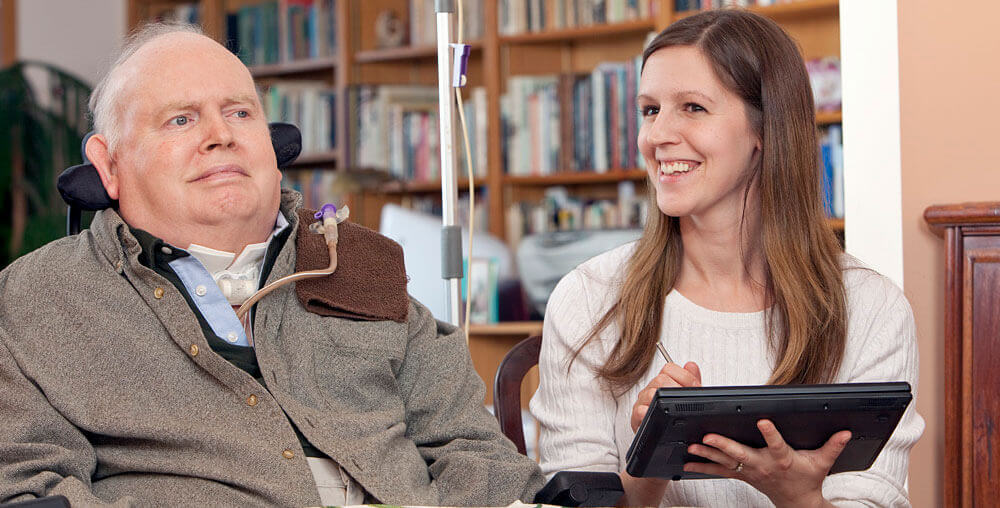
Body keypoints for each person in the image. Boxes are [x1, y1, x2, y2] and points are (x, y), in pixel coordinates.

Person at [0, 23, 544, 506]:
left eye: (240, 112)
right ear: (108, 164)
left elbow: (470, 448)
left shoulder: (355, 262)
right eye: (181, 120)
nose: (221, 136)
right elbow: (29, 484)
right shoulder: (33, 300)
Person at [531, 9, 923, 508]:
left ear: (765, 129)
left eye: (692, 107)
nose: (656, 136)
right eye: (650, 110)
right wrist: (650, 464)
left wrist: (799, 496)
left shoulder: (870, 307)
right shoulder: (589, 298)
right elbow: (573, 501)